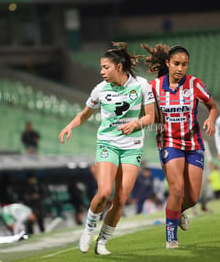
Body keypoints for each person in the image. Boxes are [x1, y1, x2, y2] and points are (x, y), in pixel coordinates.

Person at [58, 42, 155, 255]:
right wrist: (70, 126)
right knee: (103, 193)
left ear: (119, 67)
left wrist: (136, 123)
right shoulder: (100, 90)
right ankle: (88, 230)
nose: (101, 72)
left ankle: (102, 242)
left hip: (132, 147)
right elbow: (84, 115)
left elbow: (150, 117)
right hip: (108, 143)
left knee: (120, 200)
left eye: (105, 67)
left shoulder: (141, 85)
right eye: (101, 67)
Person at [141, 43, 218, 249]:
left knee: (192, 198)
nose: (180, 68)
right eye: (176, 63)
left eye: (184, 64)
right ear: (168, 63)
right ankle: (171, 238)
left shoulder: (195, 84)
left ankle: (179, 210)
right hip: (169, 142)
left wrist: (211, 119)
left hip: (193, 144)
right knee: (176, 190)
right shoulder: (155, 87)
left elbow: (212, 106)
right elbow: (148, 113)